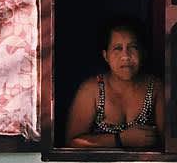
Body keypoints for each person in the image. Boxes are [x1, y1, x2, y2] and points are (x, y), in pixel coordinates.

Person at [65, 19, 165, 149]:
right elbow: (72, 143)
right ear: (106, 56)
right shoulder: (91, 90)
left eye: (133, 47)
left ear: (142, 52)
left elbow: (168, 144)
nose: (126, 56)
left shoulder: (155, 87)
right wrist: (120, 140)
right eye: (118, 48)